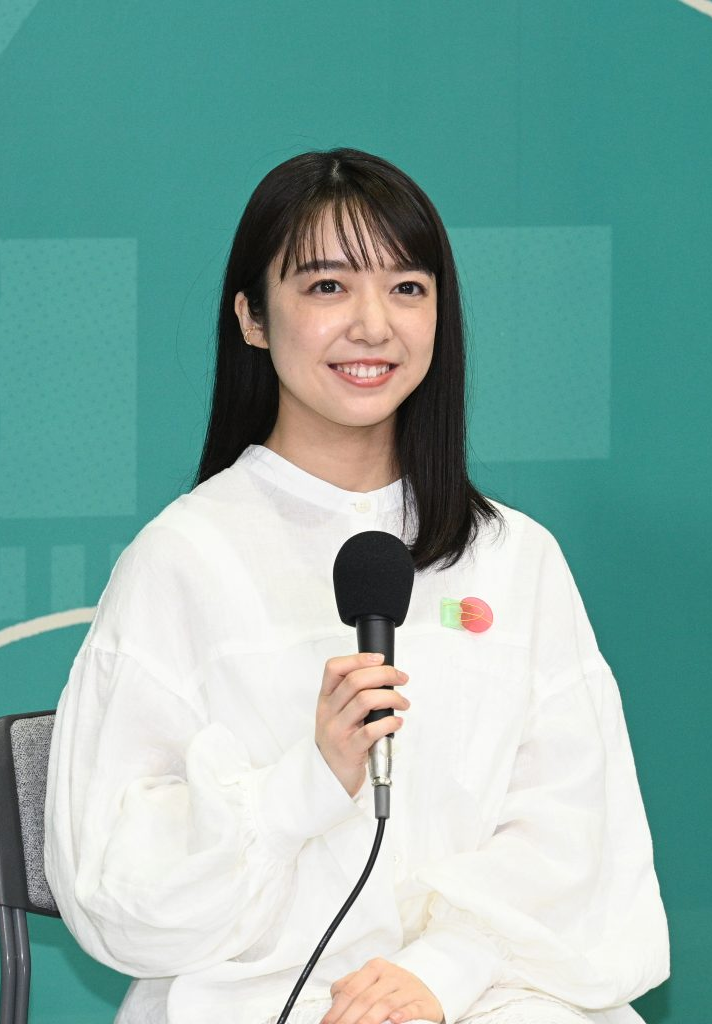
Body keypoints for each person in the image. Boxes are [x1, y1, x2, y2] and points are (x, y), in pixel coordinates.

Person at [44, 148, 669, 1024]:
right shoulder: (184, 559)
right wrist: (307, 779)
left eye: (406, 288)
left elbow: (573, 830)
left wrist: (442, 970)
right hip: (261, 996)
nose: (372, 326)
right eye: (328, 287)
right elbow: (120, 879)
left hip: (487, 992)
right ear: (251, 318)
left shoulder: (514, 556)